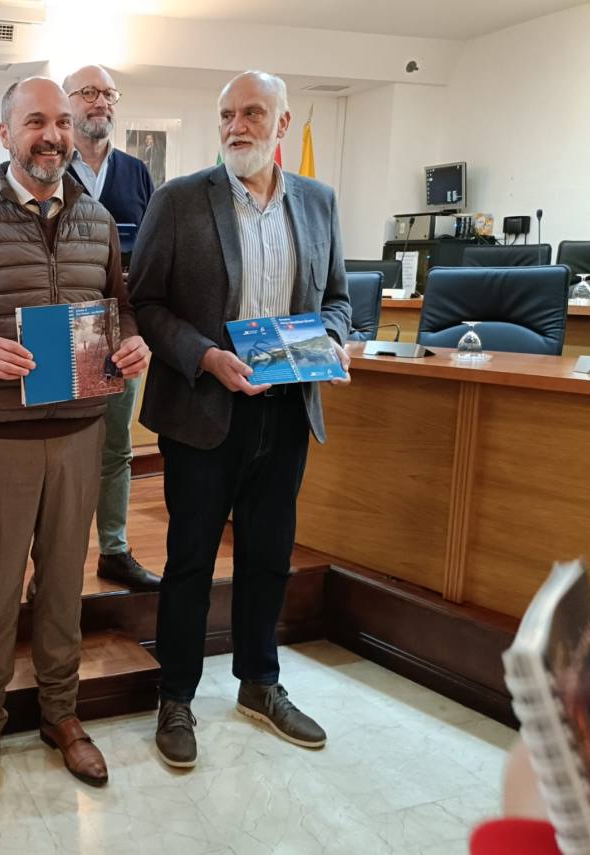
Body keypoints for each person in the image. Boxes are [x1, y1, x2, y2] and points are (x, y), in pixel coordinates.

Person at [0, 77, 149, 810]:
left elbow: (120, 308)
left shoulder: (98, 219)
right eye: (36, 122)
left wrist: (133, 341)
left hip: (81, 432)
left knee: (62, 584)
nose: (52, 136)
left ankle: (60, 712)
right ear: (6, 132)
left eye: (62, 123)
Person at [128, 70, 351, 768]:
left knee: (269, 555)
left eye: (252, 113)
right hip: (204, 410)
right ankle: (175, 696)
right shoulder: (178, 199)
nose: (236, 126)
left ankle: (260, 682)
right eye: (226, 114)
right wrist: (205, 356)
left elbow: (338, 299)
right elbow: (145, 303)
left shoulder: (318, 202)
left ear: (282, 124)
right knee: (191, 560)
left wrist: (331, 340)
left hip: (285, 412)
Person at [63, 63, 159, 592]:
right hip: (65, 330)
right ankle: (56, 560)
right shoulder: (51, 166)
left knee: (116, 445)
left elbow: (152, 250)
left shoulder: (136, 173)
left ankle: (115, 550)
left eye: (108, 94)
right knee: (62, 448)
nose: (100, 102)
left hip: (119, 331)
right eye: (88, 92)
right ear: (67, 103)